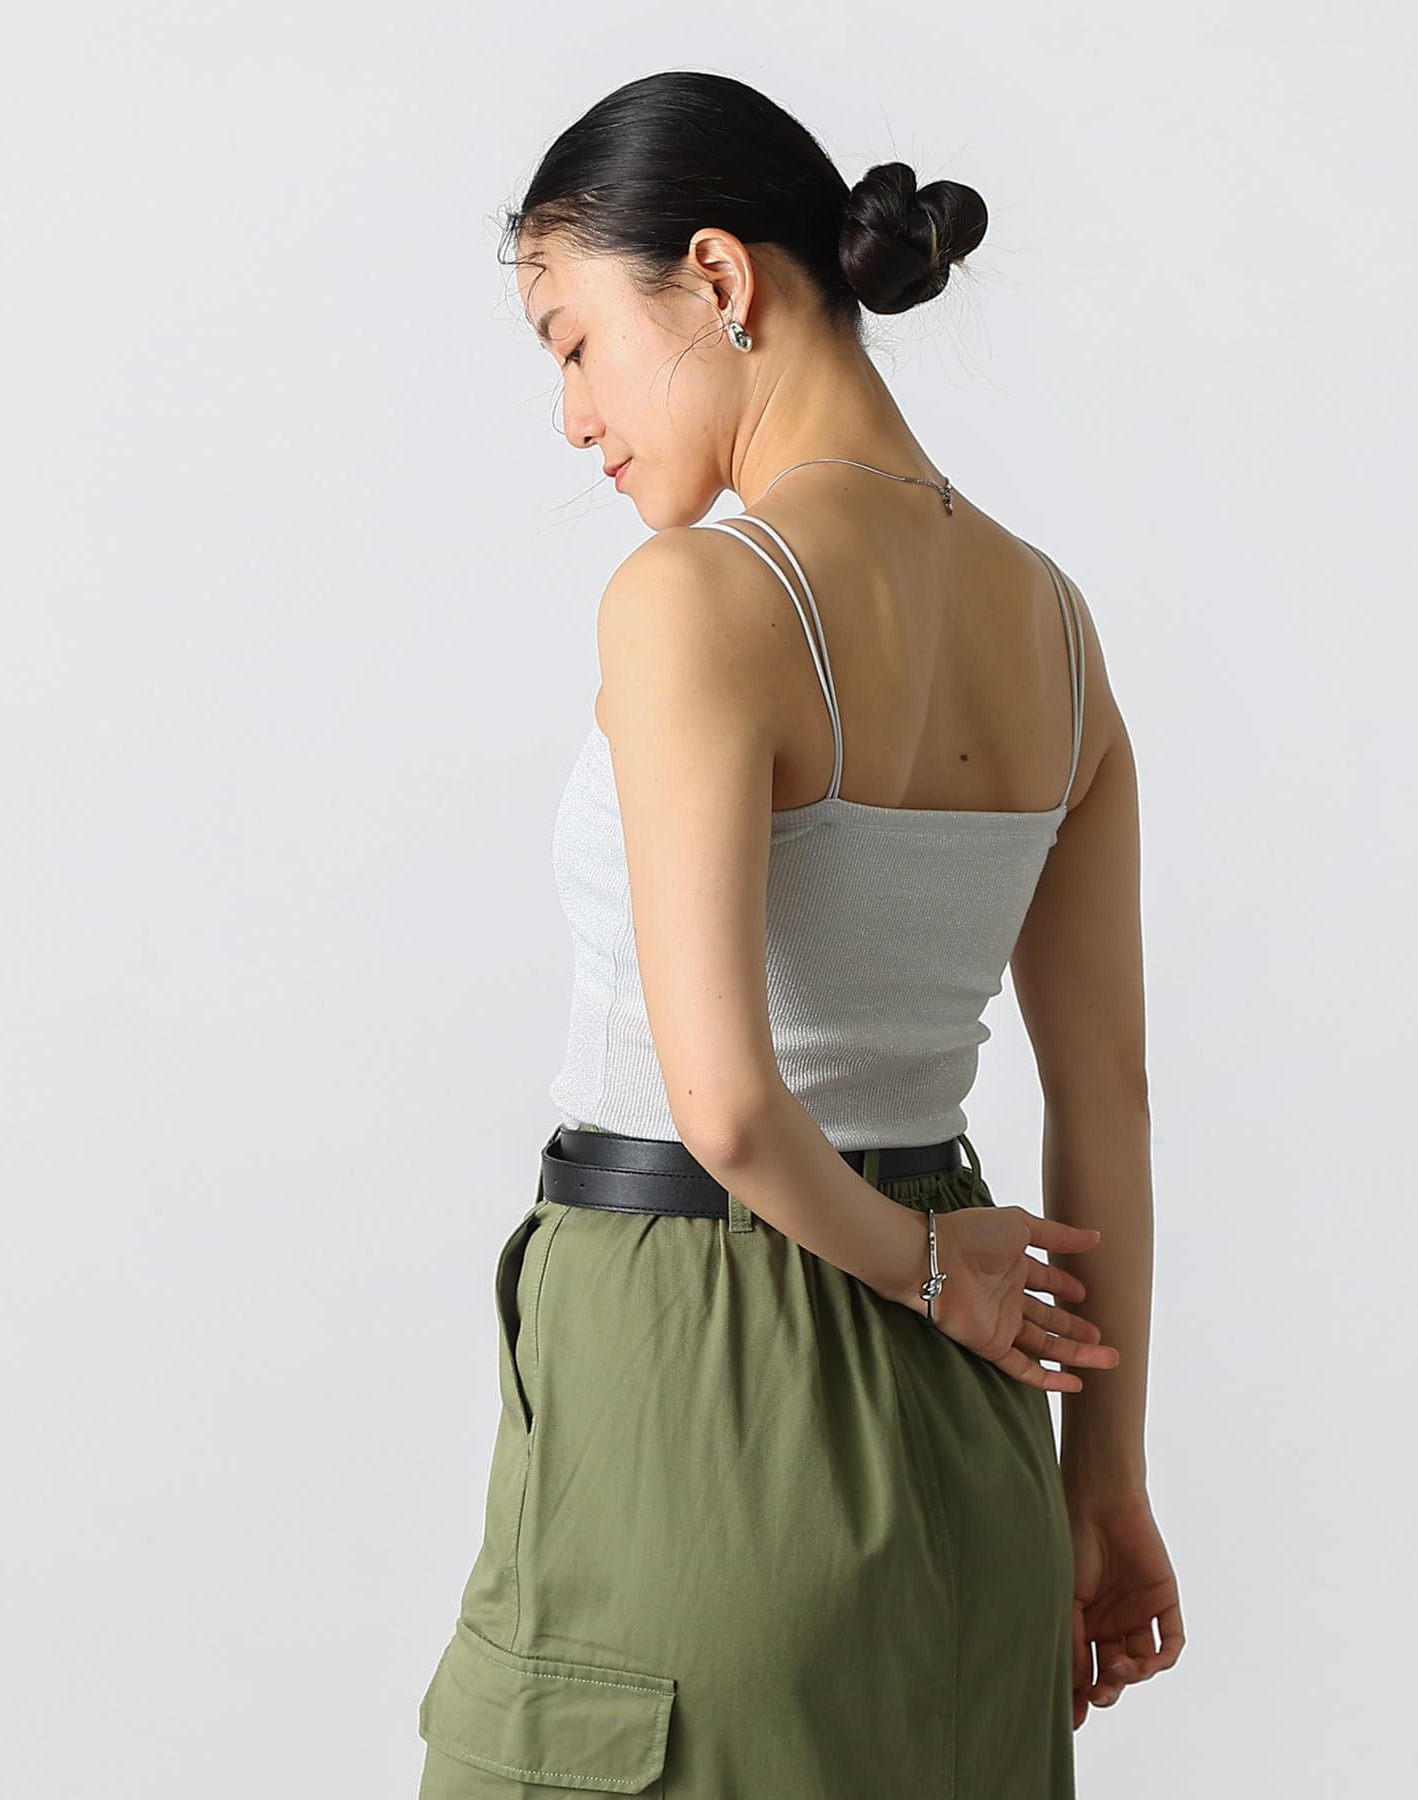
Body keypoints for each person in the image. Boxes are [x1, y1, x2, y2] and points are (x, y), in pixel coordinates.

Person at [417, 69, 1183, 1798]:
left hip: (702, 1375)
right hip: (975, 1431)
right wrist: (1104, 1485)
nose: (573, 418)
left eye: (572, 341)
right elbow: (1109, 1100)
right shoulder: (1056, 626)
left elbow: (729, 1109)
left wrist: (925, 1269)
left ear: (716, 277)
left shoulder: (696, 597)